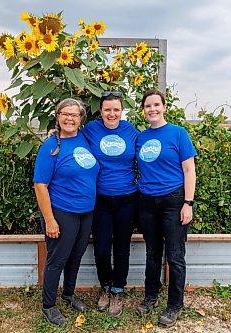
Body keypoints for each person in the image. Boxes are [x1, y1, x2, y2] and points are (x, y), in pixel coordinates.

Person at [33, 98, 100, 326]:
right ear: (58, 116)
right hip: (62, 211)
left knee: (76, 255)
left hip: (86, 211)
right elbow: (40, 185)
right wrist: (50, 220)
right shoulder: (51, 146)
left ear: (81, 119)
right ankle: (48, 306)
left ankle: (69, 294)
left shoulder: (84, 138)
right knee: (57, 259)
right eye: (65, 114)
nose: (70, 118)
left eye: (75, 115)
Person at [135, 89, 197, 328]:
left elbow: (189, 170)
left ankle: (174, 305)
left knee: (175, 255)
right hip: (147, 201)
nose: (152, 109)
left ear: (164, 106)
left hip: (174, 201)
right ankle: (150, 295)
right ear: (144, 109)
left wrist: (187, 203)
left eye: (156, 105)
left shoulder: (178, 134)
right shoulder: (140, 137)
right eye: (148, 106)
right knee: (152, 253)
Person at [81, 91, 139, 316]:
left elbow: (148, 152)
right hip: (100, 199)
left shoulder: (131, 131)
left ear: (121, 111)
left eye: (116, 109)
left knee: (122, 247)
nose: (112, 113)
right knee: (102, 248)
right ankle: (105, 286)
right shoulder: (91, 130)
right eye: (107, 109)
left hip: (127, 198)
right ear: (101, 111)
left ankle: (118, 289)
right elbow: (71, 137)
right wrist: (54, 133)